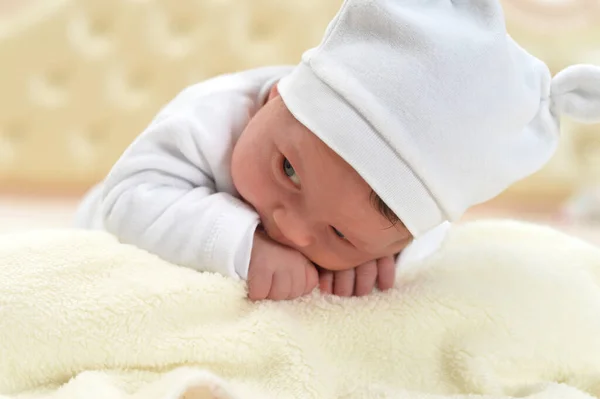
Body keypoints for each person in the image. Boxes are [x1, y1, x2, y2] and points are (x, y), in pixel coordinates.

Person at [75, 0, 600, 301]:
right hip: (103, 243)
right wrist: (244, 245)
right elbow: (128, 200)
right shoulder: (210, 117)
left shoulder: (406, 219)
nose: (293, 228)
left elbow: (431, 236)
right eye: (288, 171)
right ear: (277, 97)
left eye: (339, 234)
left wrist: (382, 260)